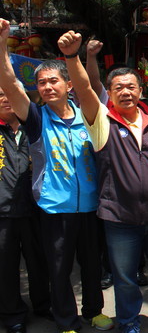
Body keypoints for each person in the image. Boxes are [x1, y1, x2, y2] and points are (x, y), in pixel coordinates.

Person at [57, 30, 148, 333]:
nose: (125, 92)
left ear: (140, 90)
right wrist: (73, 57)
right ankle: (128, 319)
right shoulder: (102, 122)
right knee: (125, 275)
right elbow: (86, 90)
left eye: (131, 86)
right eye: (118, 88)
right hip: (119, 217)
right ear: (110, 93)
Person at [0, 19, 113, 333]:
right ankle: (66, 319)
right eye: (42, 83)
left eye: (53, 81)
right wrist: (1, 44)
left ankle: (94, 311)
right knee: (59, 269)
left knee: (92, 266)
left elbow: (90, 87)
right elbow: (10, 83)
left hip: (90, 207)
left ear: (67, 85)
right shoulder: (36, 119)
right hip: (54, 209)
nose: (47, 87)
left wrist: (72, 56)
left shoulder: (87, 116)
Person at [0, 85, 51, 333]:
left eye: (9, 93)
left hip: (36, 208)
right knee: (6, 266)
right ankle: (12, 313)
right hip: (3, 212)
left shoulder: (36, 127)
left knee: (39, 261)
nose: (5, 99)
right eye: (0, 95)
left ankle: (43, 304)